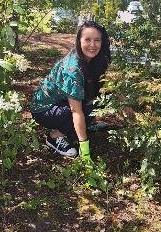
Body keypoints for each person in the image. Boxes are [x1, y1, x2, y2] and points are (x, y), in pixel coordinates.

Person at [30, 20, 111, 159]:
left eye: (97, 40)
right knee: (84, 108)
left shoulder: (96, 60)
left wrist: (127, 108)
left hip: (63, 103)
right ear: (79, 41)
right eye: (87, 40)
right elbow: (76, 111)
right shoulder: (72, 69)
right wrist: (85, 150)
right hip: (44, 110)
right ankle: (54, 136)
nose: (92, 45)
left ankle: (82, 126)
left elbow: (106, 86)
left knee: (100, 98)